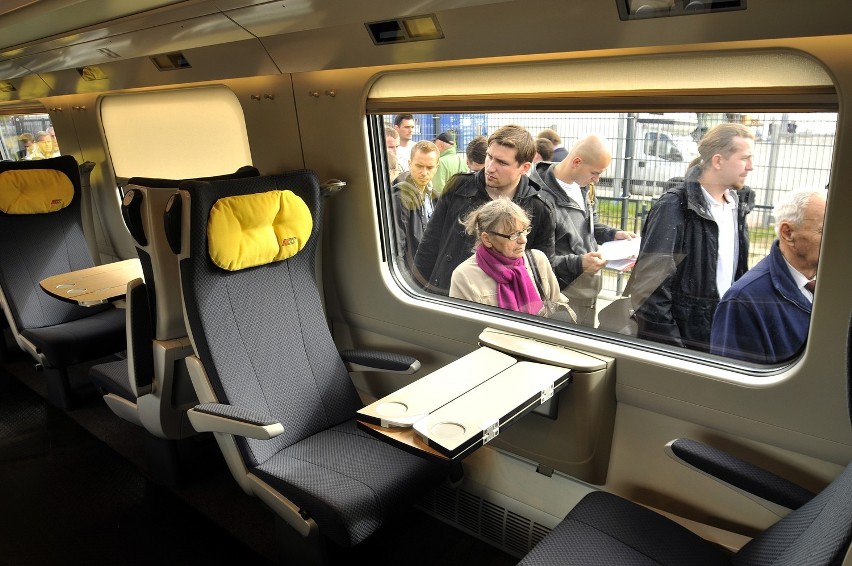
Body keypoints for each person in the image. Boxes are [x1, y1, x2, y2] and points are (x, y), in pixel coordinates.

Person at [626, 122, 755, 352]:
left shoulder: (737, 207)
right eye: (744, 158)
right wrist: (677, 352)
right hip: (687, 347)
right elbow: (650, 292)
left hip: (720, 338)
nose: (751, 167)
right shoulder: (674, 207)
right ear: (718, 161)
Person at [414, 124, 555, 295]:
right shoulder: (459, 187)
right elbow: (429, 245)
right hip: (444, 295)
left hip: (497, 307)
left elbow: (540, 272)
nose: (490, 167)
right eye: (489, 157)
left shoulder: (538, 209)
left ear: (525, 168)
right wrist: (417, 292)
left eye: (502, 162)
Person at [529, 134, 637, 326]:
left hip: (587, 287)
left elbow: (589, 223)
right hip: (563, 295)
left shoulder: (582, 186)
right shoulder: (540, 199)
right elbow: (537, 261)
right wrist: (579, 263)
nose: (597, 179)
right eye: (595, 173)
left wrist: (612, 234)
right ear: (577, 162)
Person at [710, 188, 827, 363]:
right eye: (824, 230)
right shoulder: (744, 301)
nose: (837, 238)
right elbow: (735, 384)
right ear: (788, 233)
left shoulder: (835, 284)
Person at [450, 198, 570, 319]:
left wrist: (563, 317)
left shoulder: (537, 260)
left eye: (524, 231)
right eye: (513, 235)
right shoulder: (465, 276)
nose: (523, 240)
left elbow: (558, 304)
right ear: (487, 239)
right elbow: (464, 330)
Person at [393, 140, 440, 268]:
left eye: (429, 167)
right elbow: (397, 247)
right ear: (409, 164)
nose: (424, 172)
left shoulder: (435, 197)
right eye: (419, 166)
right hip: (411, 272)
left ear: (437, 167)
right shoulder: (400, 197)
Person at [432, 132, 468, 197]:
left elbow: (437, 189)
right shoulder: (462, 161)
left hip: (445, 204)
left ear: (440, 146)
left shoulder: (440, 162)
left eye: (435, 146)